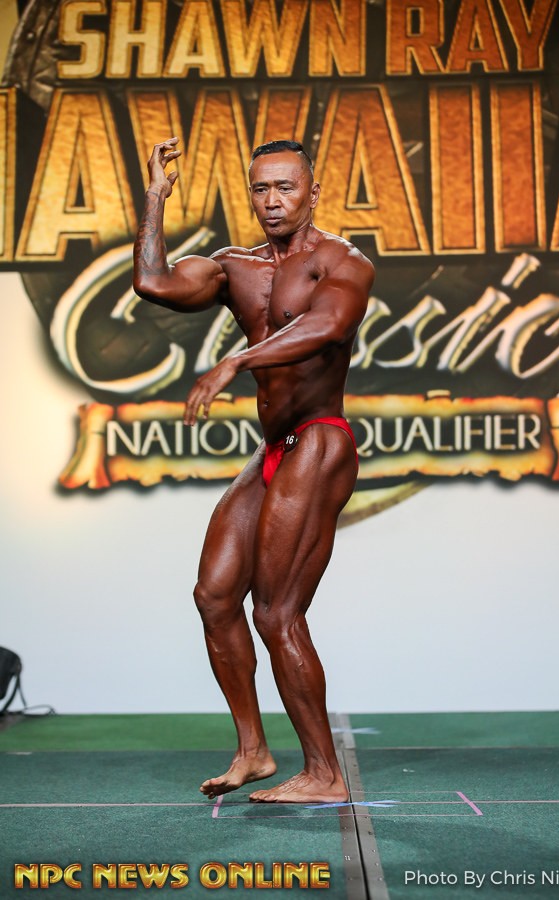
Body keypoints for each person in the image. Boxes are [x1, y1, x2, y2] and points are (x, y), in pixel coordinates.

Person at [133, 138, 375, 803]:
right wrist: (154, 198)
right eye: (261, 188)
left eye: (286, 188)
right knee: (214, 597)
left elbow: (328, 326)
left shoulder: (342, 262)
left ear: (312, 193)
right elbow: (154, 283)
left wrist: (237, 361)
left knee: (276, 612)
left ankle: (324, 773)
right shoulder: (233, 267)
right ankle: (254, 751)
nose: (273, 200)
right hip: (273, 449)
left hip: (319, 440)